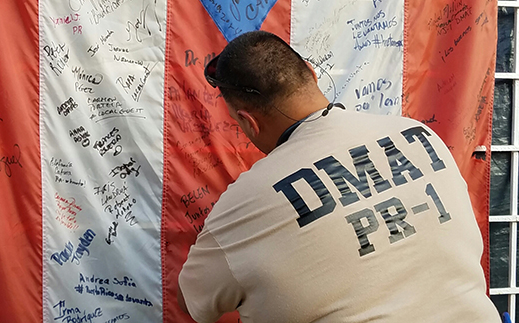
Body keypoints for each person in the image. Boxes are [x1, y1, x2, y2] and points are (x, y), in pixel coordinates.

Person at [177, 31, 499, 323]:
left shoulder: (245, 202)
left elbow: (193, 302)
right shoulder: (419, 134)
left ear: (249, 123)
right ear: (313, 75)